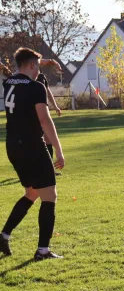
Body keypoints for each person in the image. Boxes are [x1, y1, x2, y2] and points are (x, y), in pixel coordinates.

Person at [0, 48, 65, 260]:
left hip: (12, 146)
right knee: (50, 196)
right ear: (31, 65)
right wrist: (58, 150)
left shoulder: (8, 82)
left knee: (32, 192)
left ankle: (4, 235)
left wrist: (44, 61)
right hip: (32, 147)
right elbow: (45, 120)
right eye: (37, 65)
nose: (38, 70)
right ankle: (42, 251)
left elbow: (25, 65)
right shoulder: (36, 87)